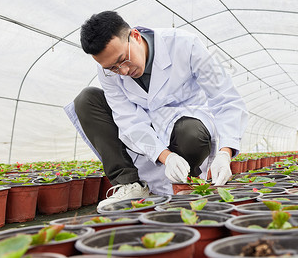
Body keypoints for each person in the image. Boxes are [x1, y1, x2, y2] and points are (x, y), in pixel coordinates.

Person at [64, 11, 248, 209]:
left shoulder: (186, 45)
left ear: (134, 36)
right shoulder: (107, 71)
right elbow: (128, 120)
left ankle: (186, 181)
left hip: (187, 126)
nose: (123, 71)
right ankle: (130, 183)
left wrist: (225, 152)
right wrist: (165, 156)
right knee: (86, 99)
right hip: (144, 131)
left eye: (123, 59)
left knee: (191, 134)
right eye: (114, 68)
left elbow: (226, 98)